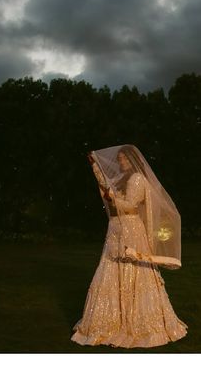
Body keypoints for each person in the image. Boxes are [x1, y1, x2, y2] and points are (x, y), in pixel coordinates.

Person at [70, 144, 188, 348]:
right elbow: (107, 187)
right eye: (120, 159)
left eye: (124, 159)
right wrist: (95, 167)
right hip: (117, 227)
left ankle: (136, 320)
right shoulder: (124, 179)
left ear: (133, 160)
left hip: (130, 228)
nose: (120, 162)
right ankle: (109, 319)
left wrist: (111, 198)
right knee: (111, 270)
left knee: (133, 268)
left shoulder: (137, 179)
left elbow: (131, 205)